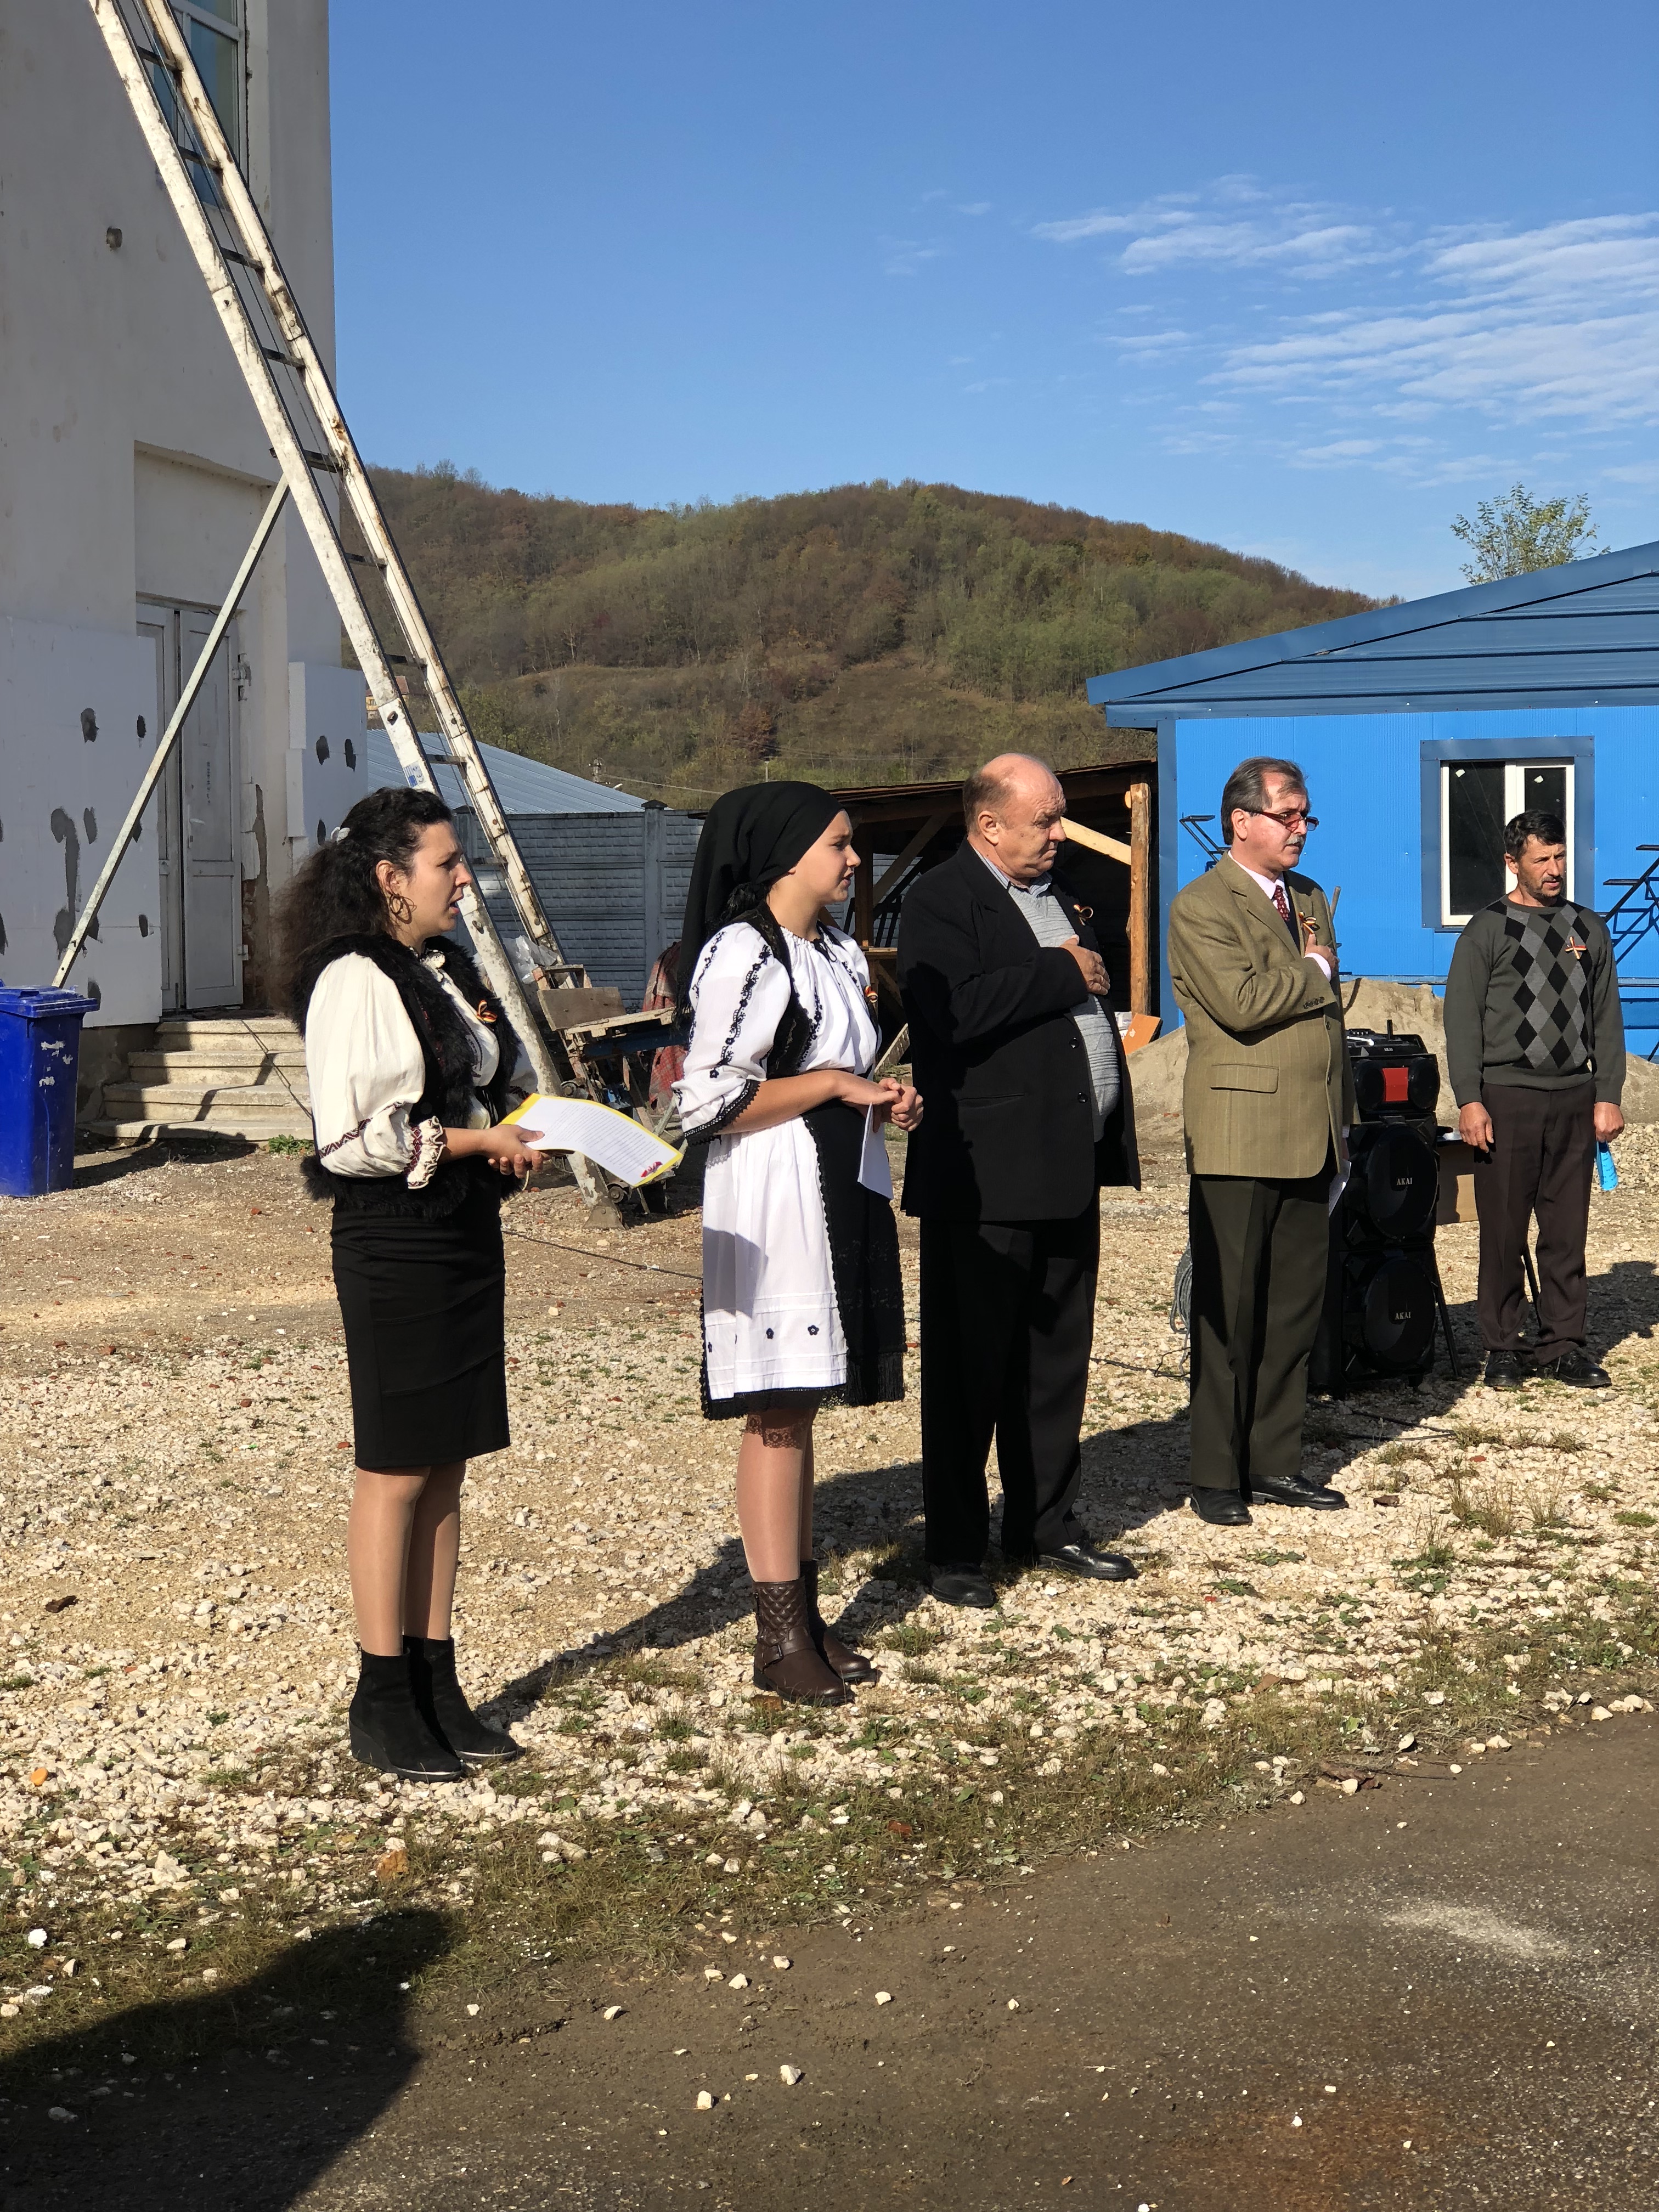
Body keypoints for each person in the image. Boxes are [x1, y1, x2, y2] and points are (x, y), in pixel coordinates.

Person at [278, 786, 538, 1780]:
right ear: (390, 878)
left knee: (447, 1460)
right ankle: (381, 1695)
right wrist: (478, 1141)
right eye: (446, 863)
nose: (464, 878)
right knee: (394, 1466)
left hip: (462, 1230)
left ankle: (437, 1679)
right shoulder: (355, 976)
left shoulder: (443, 967)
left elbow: (479, 1086)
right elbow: (354, 1140)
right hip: (394, 1240)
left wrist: (518, 1132)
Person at [674, 782, 921, 1705]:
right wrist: (831, 1086)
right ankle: (776, 1638)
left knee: (804, 1404)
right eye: (838, 844)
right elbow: (704, 1099)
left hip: (836, 1183)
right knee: (777, 1408)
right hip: (774, 1192)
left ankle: (804, 1620)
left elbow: (841, 1069)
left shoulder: (835, 950)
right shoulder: (743, 952)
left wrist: (881, 1094)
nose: (853, 860)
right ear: (785, 854)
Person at [896, 753, 1140, 1609]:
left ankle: (1046, 1524)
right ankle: (957, 1548)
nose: (1059, 833)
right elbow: (949, 1013)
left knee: (1055, 1361)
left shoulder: (1061, 896)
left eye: (1060, 817)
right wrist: (1062, 971)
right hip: (986, 1174)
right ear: (990, 823)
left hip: (1068, 1160)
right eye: (1045, 820)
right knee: (970, 1369)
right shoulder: (940, 899)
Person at [1166, 756, 1355, 1528]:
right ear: (1240, 821)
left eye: (1306, 815)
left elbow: (1325, 1017)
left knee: (1292, 1311)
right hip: (1239, 1134)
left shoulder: (1306, 897)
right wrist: (1314, 970)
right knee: (1227, 1311)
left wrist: (1343, 1114)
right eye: (1287, 815)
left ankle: (1275, 1460)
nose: (1301, 828)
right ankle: (1216, 1473)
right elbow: (1241, 1003)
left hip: (1313, 1130)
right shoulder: (1202, 905)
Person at [1445, 809, 1626, 1390]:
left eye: (1560, 856)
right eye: (1541, 859)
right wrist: (1469, 1099)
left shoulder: (1587, 928)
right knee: (1503, 1231)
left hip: (1574, 1095)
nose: (1554, 869)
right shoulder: (1487, 929)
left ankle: (1564, 1345)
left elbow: (1607, 1018)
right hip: (1506, 1097)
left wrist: (1608, 1094)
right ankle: (1503, 1347)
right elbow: (1462, 1020)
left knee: (1566, 1230)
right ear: (1512, 863)